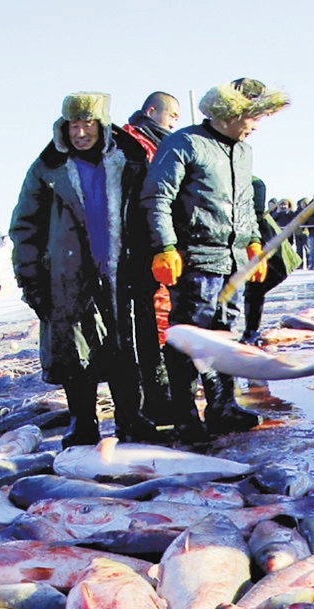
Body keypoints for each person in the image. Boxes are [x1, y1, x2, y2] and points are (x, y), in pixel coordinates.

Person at [145, 79, 291, 443]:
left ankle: (222, 406)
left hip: (233, 262)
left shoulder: (243, 152)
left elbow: (245, 205)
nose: (257, 125)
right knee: (191, 341)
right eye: (254, 116)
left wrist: (254, 243)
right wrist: (164, 246)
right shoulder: (185, 143)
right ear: (232, 112)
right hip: (196, 260)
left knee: (228, 338)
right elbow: (157, 198)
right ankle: (184, 414)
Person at [15, 93, 157, 447]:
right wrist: (30, 279)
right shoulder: (46, 168)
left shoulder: (131, 159)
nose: (81, 133)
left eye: (88, 124)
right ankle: (82, 421)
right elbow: (24, 227)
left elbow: (150, 210)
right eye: (73, 125)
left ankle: (130, 416)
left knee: (125, 346)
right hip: (66, 275)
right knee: (75, 351)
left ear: (102, 125)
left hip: (122, 272)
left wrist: (152, 257)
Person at [114, 92, 189, 432]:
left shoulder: (164, 144)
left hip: (160, 243)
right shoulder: (132, 143)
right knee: (148, 320)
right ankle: (156, 397)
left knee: (161, 316)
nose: (174, 121)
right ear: (151, 111)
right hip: (139, 245)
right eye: (170, 114)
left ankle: (162, 394)